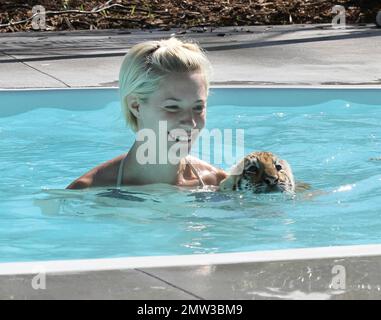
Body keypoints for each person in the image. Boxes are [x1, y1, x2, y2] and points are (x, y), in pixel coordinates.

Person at [66, 37, 228, 190]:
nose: (190, 123)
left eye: (198, 107)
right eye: (172, 107)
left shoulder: (219, 184)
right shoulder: (88, 192)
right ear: (136, 106)